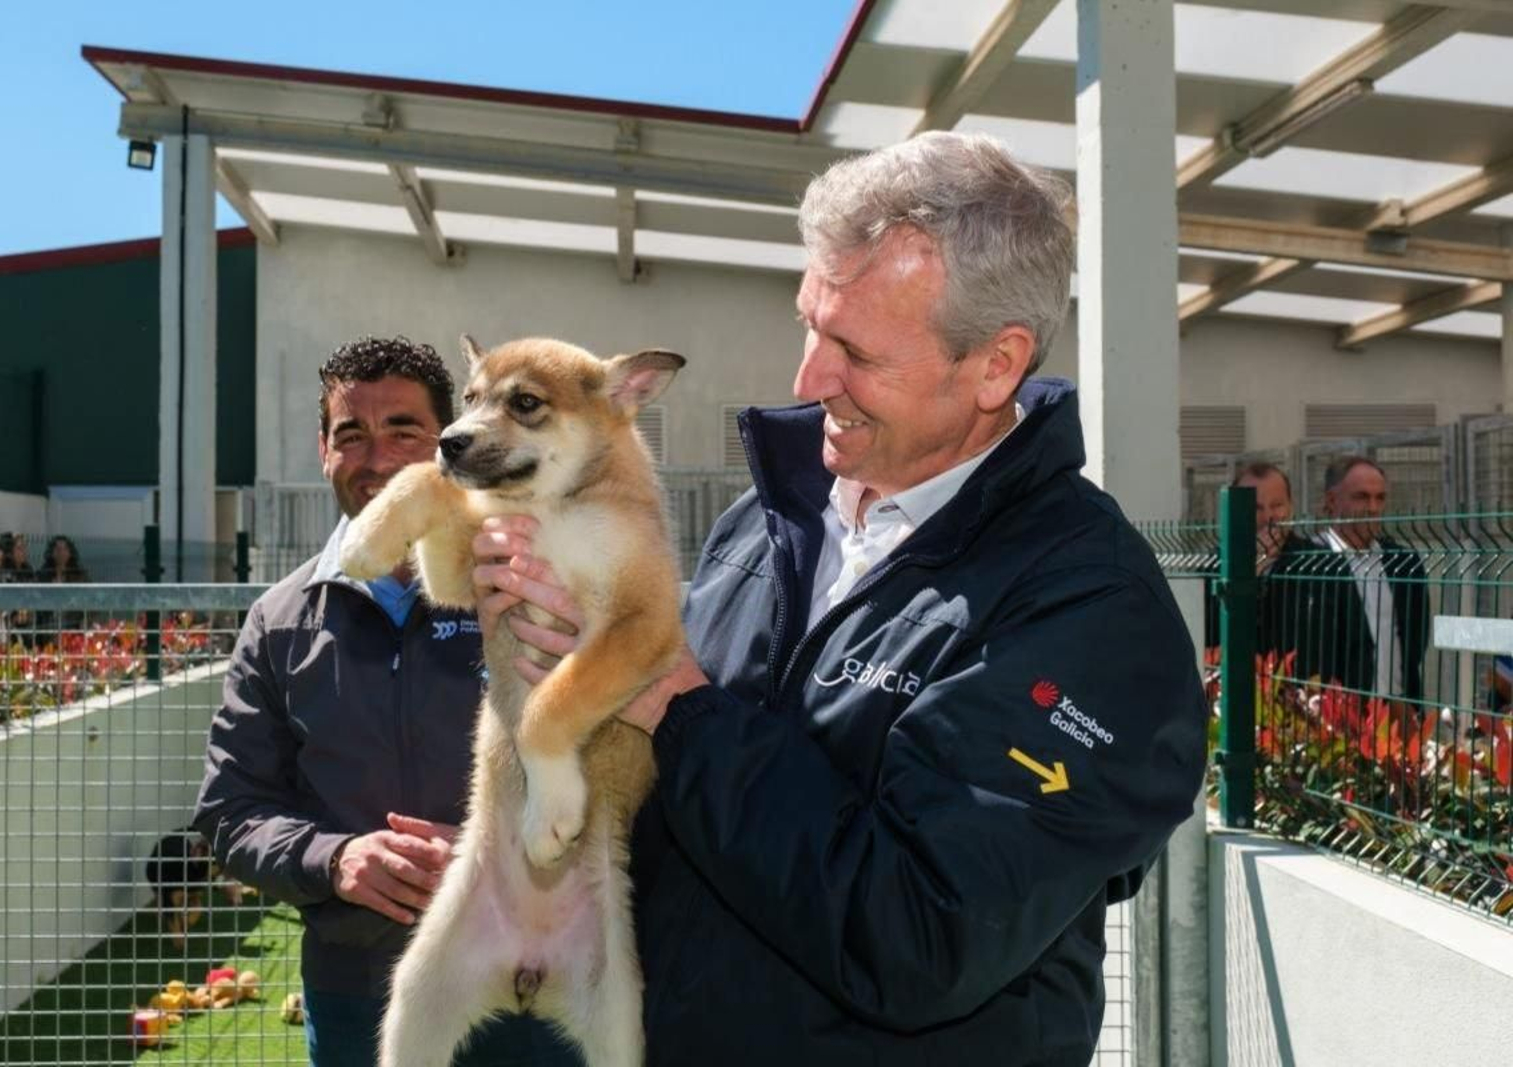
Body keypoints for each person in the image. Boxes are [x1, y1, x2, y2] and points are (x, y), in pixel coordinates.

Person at [475, 132, 1207, 1065]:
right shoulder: (770, 520)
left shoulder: (1091, 612)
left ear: (995, 365)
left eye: (854, 349)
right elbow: (679, 814)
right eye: (809, 322)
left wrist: (671, 698)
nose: (808, 379)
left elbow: (920, 934)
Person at [192, 336, 579, 1067]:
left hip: (529, 984)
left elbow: (610, 771)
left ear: (451, 439)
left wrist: (484, 856)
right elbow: (230, 809)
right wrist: (334, 858)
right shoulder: (280, 619)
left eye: (404, 429)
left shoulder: (532, 585)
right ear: (322, 450)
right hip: (357, 998)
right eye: (352, 435)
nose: (378, 459)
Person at [1268, 456, 1430, 702]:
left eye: (1380, 498)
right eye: (1361, 497)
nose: (1373, 508)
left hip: (1397, 709)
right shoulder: (1306, 565)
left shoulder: (1402, 562)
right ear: (1332, 501)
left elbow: (1416, 639)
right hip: (1334, 714)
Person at [1204, 461, 1314, 650]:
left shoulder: (1315, 560)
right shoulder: (1214, 564)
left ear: (1290, 507)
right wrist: (1247, 572)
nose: (1268, 517)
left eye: (1277, 505)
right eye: (1256, 508)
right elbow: (1209, 634)